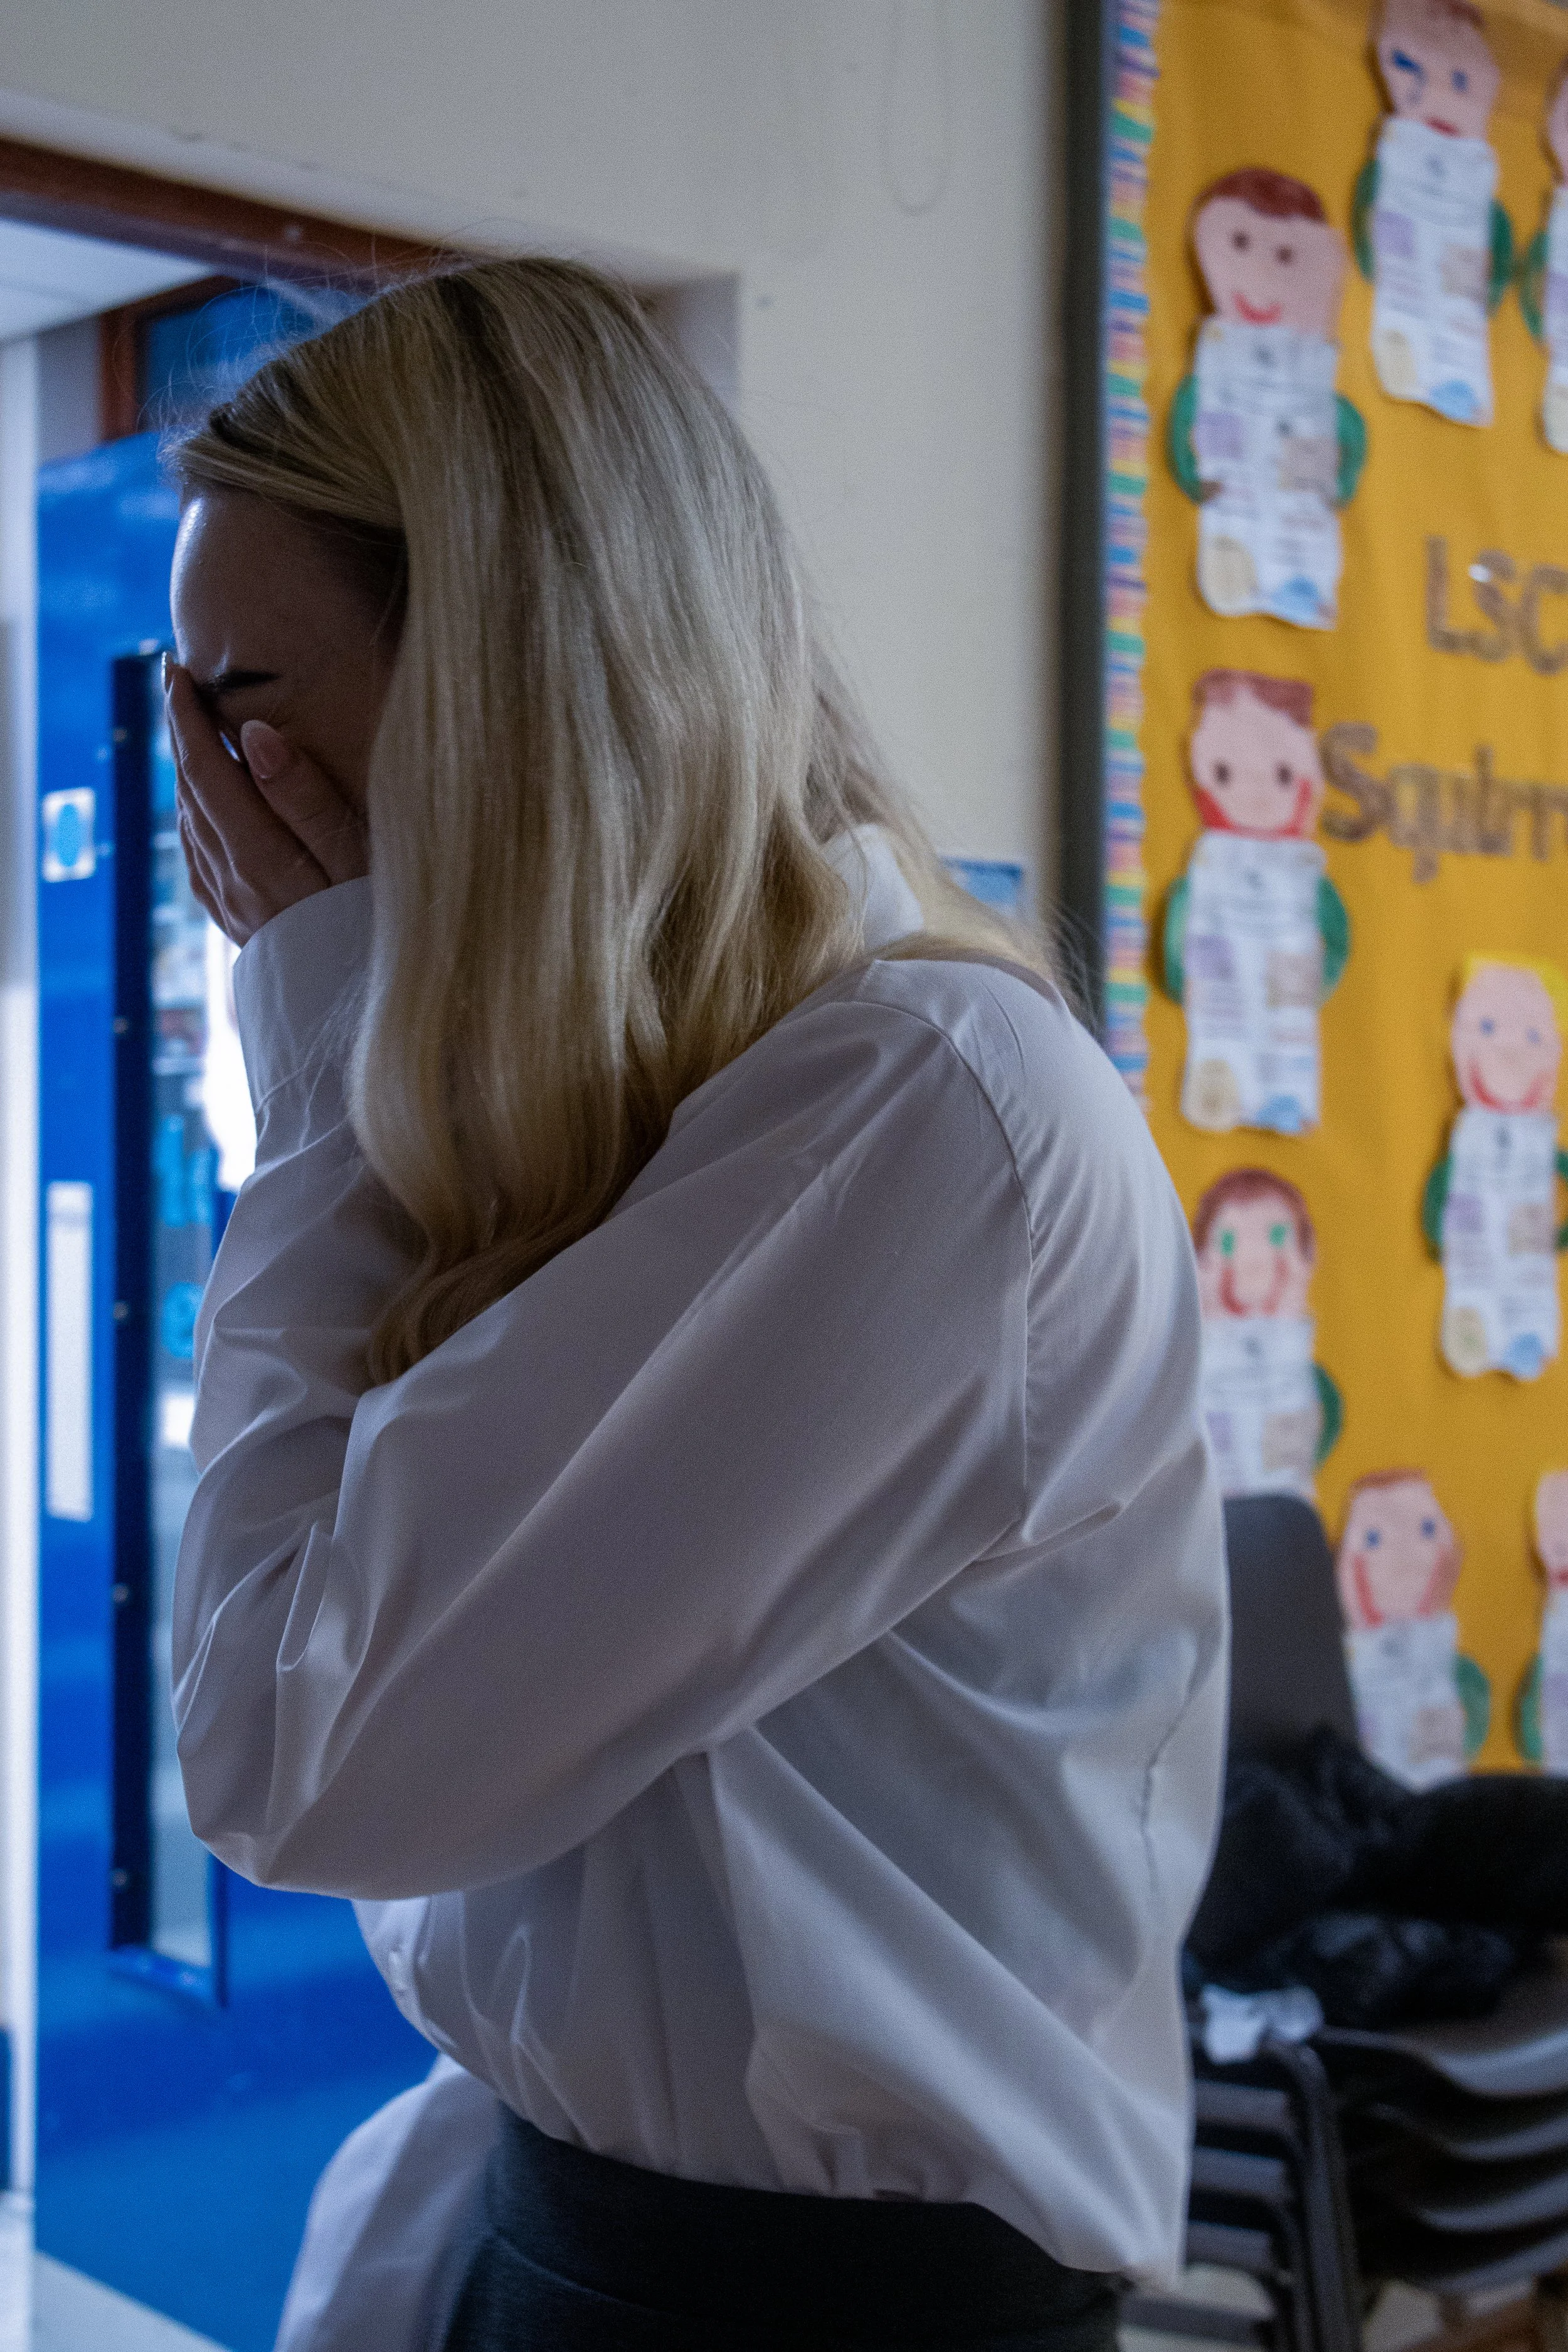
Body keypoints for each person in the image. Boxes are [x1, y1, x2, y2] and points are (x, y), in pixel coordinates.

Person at [164, 258, 1227, 2352]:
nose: (214, 802)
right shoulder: (664, 1111)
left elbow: (293, 1749)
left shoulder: (911, 1114)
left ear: (505, 683)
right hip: (586, 2237)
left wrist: (313, 1078)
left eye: (245, 706)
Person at [1335, 1468, 1488, 1791]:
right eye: (1374, 1540)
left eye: (1427, 1530)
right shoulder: (1353, 1656)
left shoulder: (1439, 1641)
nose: (1404, 1554)